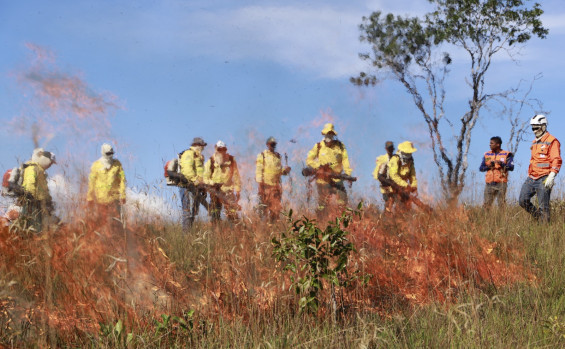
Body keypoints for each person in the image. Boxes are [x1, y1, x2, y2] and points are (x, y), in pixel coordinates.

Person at [519, 114, 561, 223]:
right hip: (532, 177)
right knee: (522, 200)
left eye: (536, 127)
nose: (534, 130)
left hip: (544, 178)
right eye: (532, 127)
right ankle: (538, 217)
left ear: (543, 126)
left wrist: (552, 175)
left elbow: (556, 159)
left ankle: (544, 228)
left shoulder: (552, 141)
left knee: (544, 207)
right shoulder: (535, 142)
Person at [306, 123, 353, 217]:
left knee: (342, 201)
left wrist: (348, 174)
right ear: (324, 135)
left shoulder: (340, 146)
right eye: (327, 134)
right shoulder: (318, 146)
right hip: (323, 180)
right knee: (323, 204)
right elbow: (309, 160)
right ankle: (321, 222)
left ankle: (341, 222)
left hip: (337, 178)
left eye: (331, 134)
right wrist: (319, 166)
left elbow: (345, 160)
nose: (329, 136)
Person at [87, 143, 126, 229]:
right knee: (102, 223)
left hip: (114, 200)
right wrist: (90, 198)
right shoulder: (96, 165)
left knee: (116, 224)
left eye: (112, 153)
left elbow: (122, 180)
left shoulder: (117, 164)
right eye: (108, 154)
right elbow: (91, 182)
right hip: (101, 200)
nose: (110, 155)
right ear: (103, 153)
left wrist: (123, 195)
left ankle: (117, 239)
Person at [20, 148, 57, 232]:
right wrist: (32, 199)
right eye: (50, 162)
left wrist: (49, 202)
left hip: (39, 205)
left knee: (40, 229)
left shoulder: (41, 171)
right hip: (32, 205)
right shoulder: (32, 167)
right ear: (45, 160)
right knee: (35, 230)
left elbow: (44, 190)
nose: (50, 165)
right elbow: (29, 185)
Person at [203, 141, 241, 222]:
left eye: (223, 149)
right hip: (215, 191)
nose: (221, 151)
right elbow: (205, 178)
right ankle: (216, 232)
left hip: (228, 191)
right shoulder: (211, 161)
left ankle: (235, 232)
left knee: (232, 214)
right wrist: (213, 183)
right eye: (219, 149)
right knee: (215, 214)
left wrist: (238, 190)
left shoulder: (231, 160)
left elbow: (236, 175)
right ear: (216, 149)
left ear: (225, 149)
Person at [255, 136, 291, 221]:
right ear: (267, 144)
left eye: (274, 144)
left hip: (275, 186)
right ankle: (264, 228)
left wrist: (285, 171)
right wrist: (260, 186)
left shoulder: (278, 156)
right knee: (264, 208)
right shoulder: (262, 155)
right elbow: (258, 170)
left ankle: (273, 227)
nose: (273, 145)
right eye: (271, 144)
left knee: (276, 208)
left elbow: (279, 171)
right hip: (265, 186)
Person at [178, 137, 209, 230]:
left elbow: (201, 173)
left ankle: (188, 235)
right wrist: (196, 181)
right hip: (187, 187)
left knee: (193, 212)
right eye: (201, 145)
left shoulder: (199, 157)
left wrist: (203, 187)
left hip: (196, 188)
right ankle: (186, 238)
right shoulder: (189, 153)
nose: (203, 147)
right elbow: (187, 171)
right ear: (196, 145)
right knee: (187, 212)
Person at [479, 136, 514, 207]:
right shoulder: (487, 154)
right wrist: (488, 167)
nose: (490, 145)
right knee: (486, 204)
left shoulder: (507, 154)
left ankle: (503, 218)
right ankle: (486, 218)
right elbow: (481, 168)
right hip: (489, 183)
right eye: (490, 143)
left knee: (501, 204)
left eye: (492, 143)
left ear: (498, 144)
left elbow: (511, 167)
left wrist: (502, 164)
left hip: (501, 183)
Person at [387, 141, 418, 210]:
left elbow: (412, 176)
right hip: (393, 186)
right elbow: (393, 175)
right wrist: (405, 185)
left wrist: (414, 186)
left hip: (404, 187)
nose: (409, 154)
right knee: (395, 206)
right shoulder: (395, 159)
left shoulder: (410, 162)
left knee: (407, 205)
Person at [373, 141, 395, 210]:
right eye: (389, 148)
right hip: (386, 187)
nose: (390, 150)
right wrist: (384, 182)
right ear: (386, 148)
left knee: (398, 205)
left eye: (391, 148)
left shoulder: (396, 159)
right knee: (388, 205)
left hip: (395, 186)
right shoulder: (382, 159)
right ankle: (385, 219)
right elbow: (376, 174)